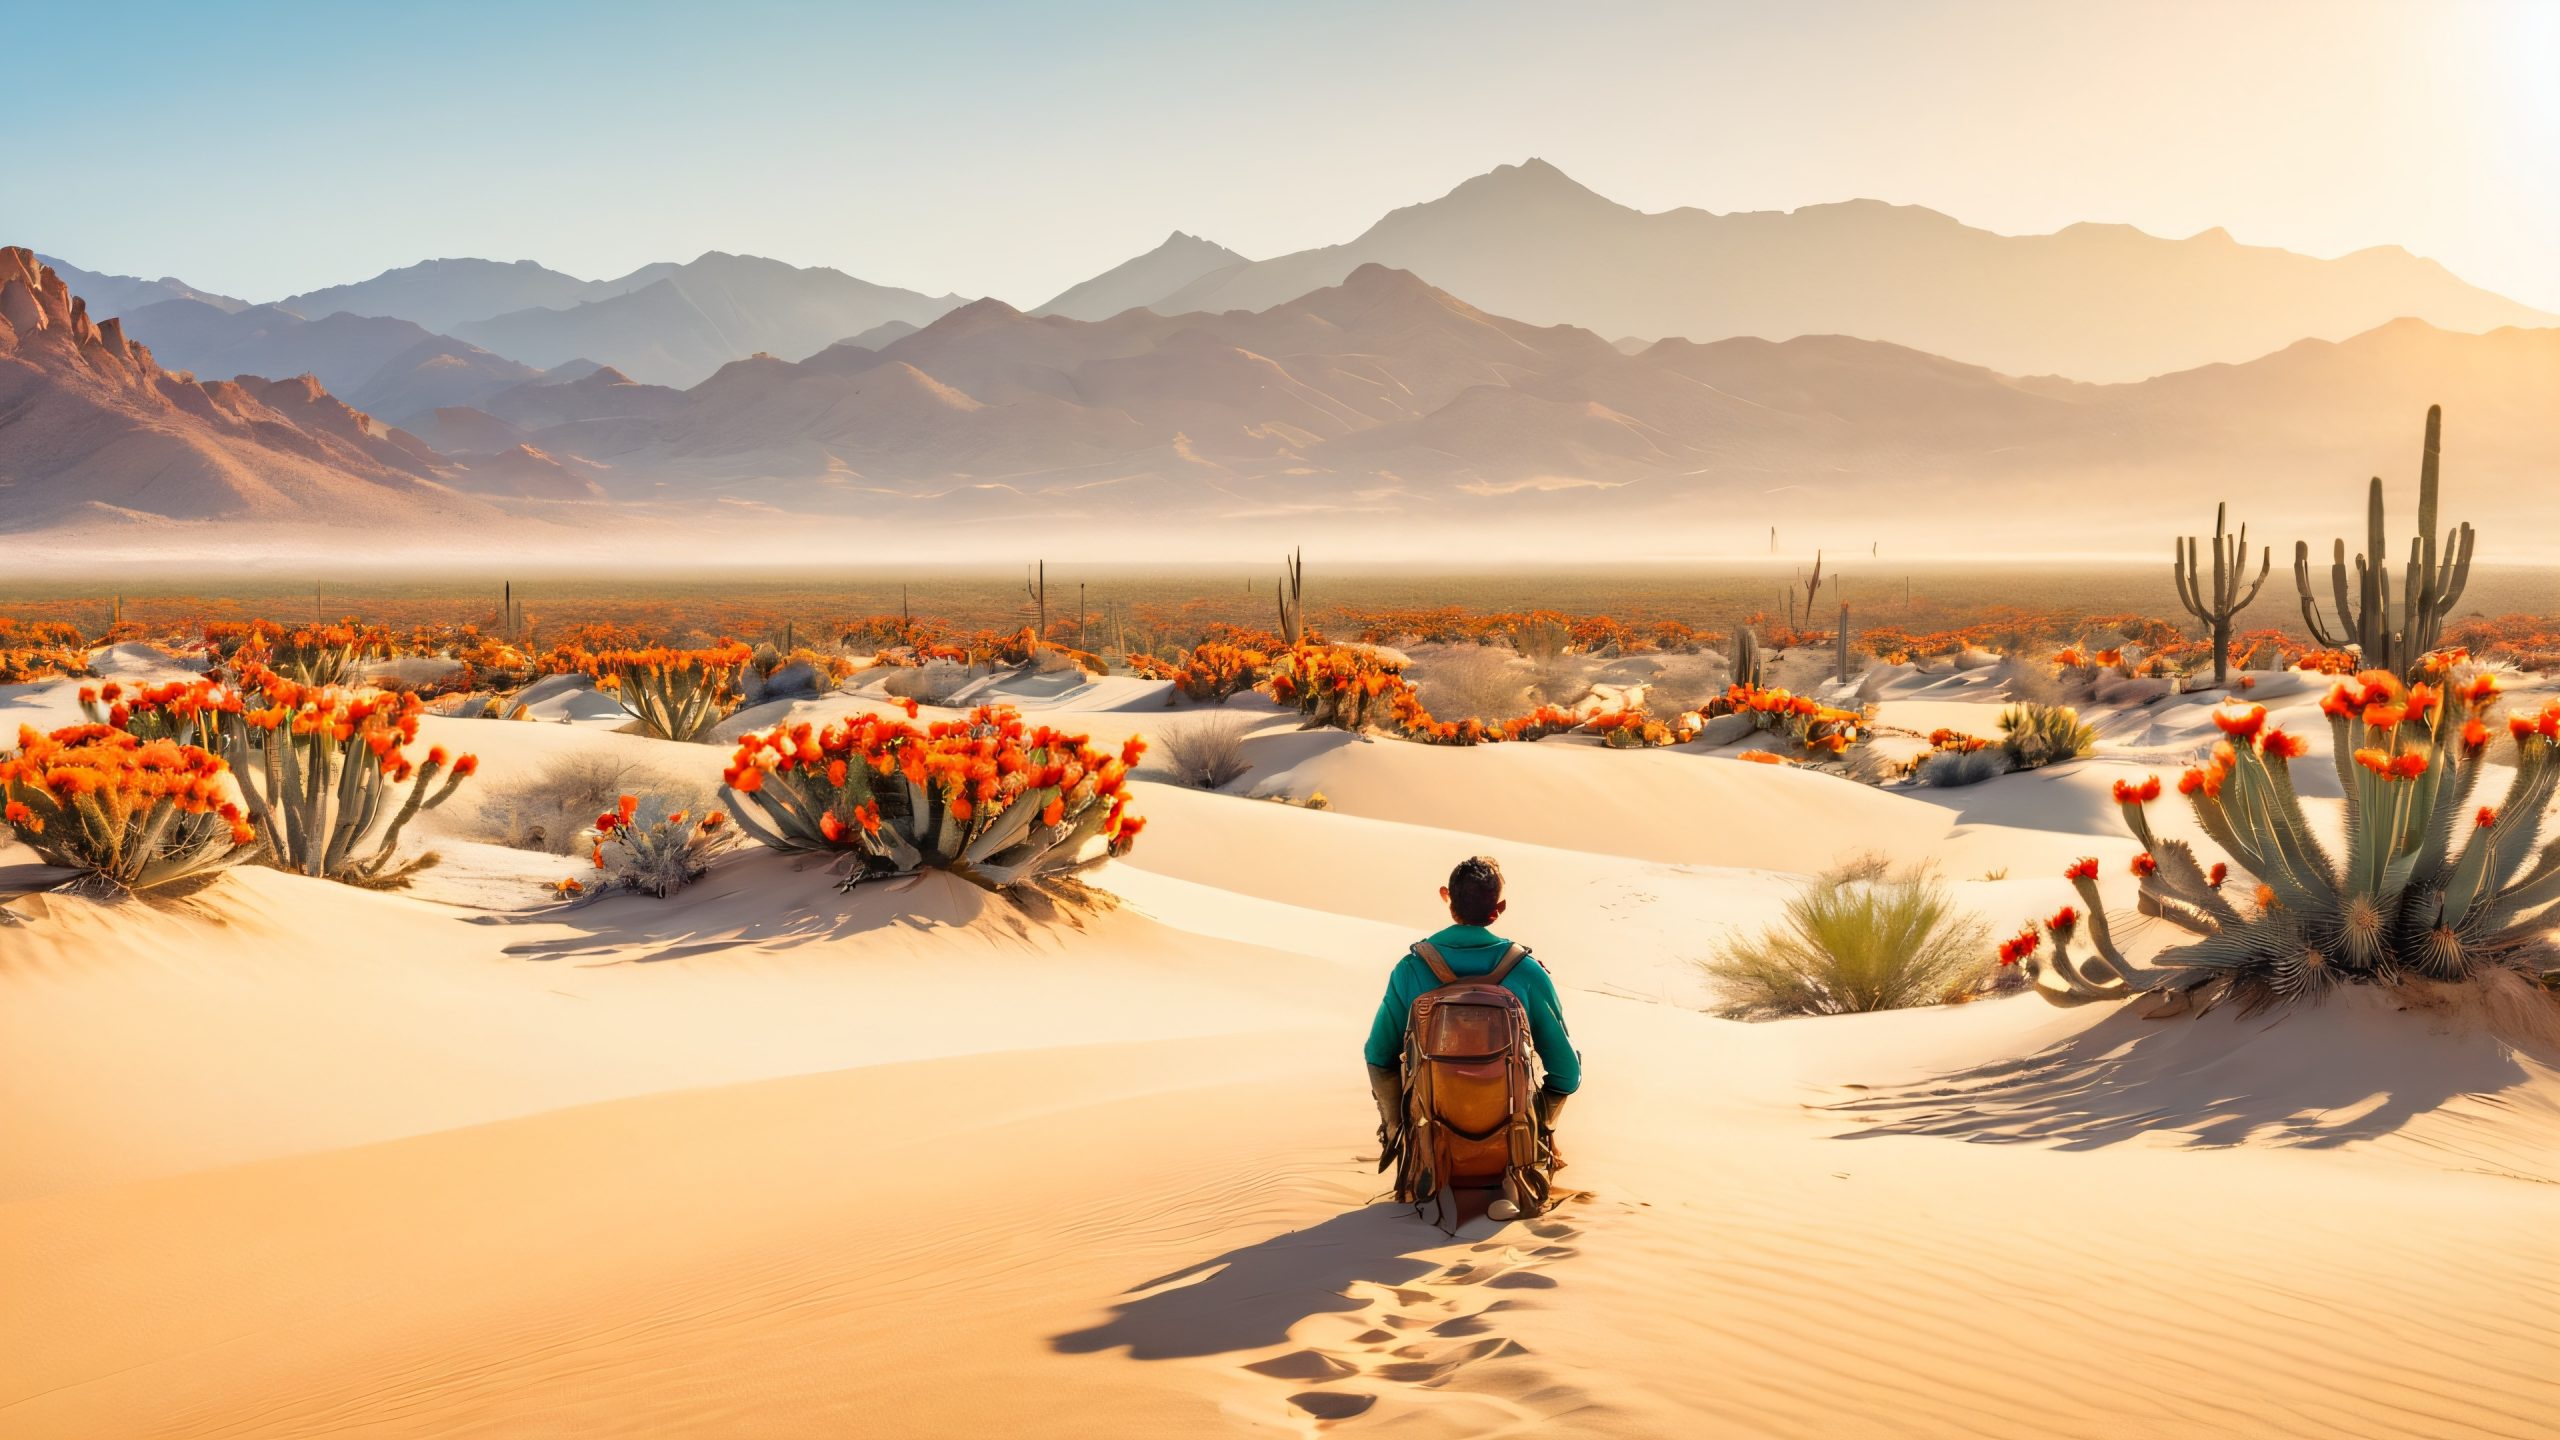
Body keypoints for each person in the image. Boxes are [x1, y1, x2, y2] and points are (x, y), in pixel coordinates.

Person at [1364, 855, 1580, 1220]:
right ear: (1499, 909)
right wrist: (1542, 1122)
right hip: (1511, 1147)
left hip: (1431, 1143)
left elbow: (1378, 1054)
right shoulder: (1525, 970)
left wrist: (1394, 1124)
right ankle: (1533, 1152)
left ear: (1446, 898)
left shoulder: (1412, 968)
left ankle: (1405, 1143)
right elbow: (1566, 1073)